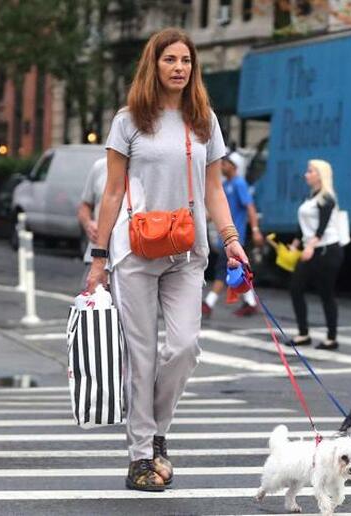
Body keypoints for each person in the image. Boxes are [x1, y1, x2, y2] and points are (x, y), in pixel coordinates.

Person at [85, 28, 248, 492]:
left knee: (183, 347)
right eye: (170, 59)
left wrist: (231, 239)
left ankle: (157, 432)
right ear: (153, 65)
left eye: (186, 61)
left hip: (187, 250)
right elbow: (112, 190)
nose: (179, 67)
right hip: (134, 249)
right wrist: (98, 258)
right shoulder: (128, 120)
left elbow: (215, 188)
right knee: (139, 357)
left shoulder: (204, 120)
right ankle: (140, 455)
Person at [289, 159, 345, 351]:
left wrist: (310, 247)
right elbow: (303, 226)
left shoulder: (327, 198)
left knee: (326, 293)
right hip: (310, 249)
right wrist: (296, 243)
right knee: (296, 288)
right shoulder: (310, 197)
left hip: (327, 250)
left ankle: (331, 337)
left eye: (310, 171)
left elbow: (320, 228)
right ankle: (303, 333)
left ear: (320, 175)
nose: (306, 174)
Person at [202, 150, 264, 317]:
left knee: (223, 269)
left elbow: (250, 207)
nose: (222, 166)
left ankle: (208, 303)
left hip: (234, 237)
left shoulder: (239, 184)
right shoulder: (227, 184)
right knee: (235, 270)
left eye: (225, 163)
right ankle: (250, 302)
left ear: (233, 166)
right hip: (226, 236)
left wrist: (255, 230)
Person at [77, 157, 107, 286]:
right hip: (96, 254)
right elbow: (85, 206)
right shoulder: (100, 166)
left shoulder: (144, 166)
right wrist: (88, 224)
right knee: (91, 303)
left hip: (131, 260)